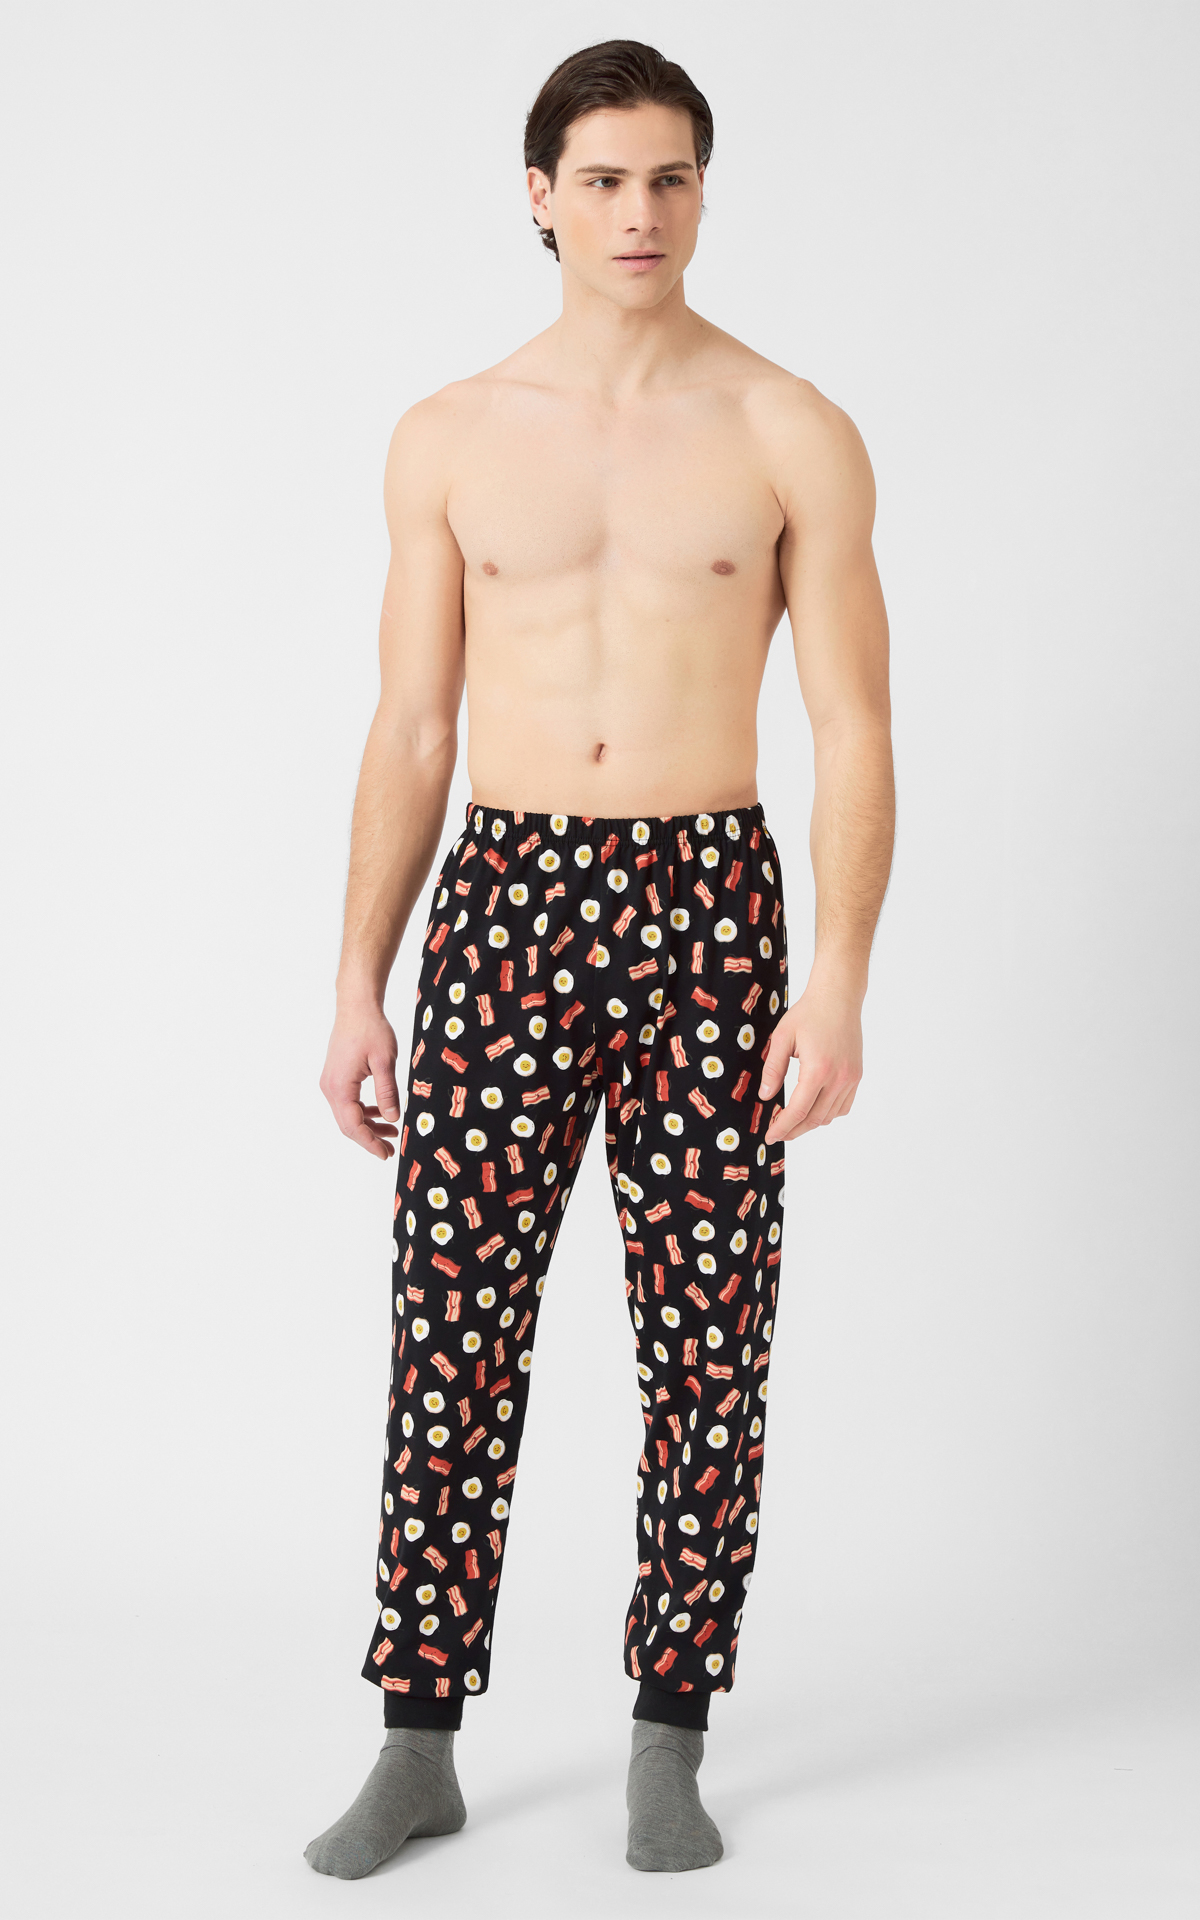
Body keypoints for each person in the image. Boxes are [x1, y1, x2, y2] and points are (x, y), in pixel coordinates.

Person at [305, 37, 894, 1880]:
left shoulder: (789, 426)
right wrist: (358, 981)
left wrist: (838, 980)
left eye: (672, 178)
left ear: (704, 194)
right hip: (506, 900)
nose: (641, 212)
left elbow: (856, 727)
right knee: (453, 1325)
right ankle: (418, 1739)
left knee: (710, 1336)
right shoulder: (452, 434)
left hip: (711, 903)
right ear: (540, 196)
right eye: (606, 179)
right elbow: (414, 727)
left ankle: (669, 1734)